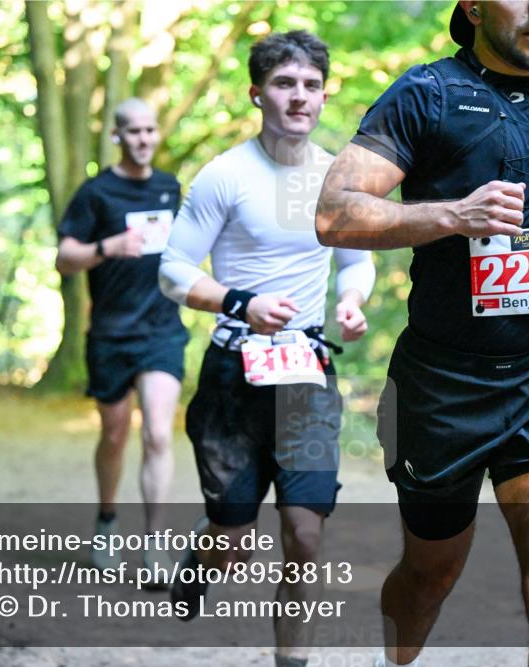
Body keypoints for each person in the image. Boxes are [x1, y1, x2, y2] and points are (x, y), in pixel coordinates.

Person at [315, 2, 529, 666]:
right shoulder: (426, 95)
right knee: (429, 576)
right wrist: (453, 214)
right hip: (442, 388)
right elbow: (335, 213)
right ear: (472, 5)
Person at [159, 30, 375, 667]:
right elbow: (172, 269)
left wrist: (352, 301)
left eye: (311, 85)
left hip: (306, 372)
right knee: (234, 538)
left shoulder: (338, 177)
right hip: (233, 372)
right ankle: (202, 560)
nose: (299, 97)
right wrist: (238, 302)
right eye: (284, 84)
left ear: (324, 95)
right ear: (257, 93)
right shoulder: (225, 175)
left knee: (306, 535)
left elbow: (355, 262)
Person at [55, 98, 189, 579]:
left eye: (150, 130)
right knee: (113, 434)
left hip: (161, 331)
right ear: (117, 136)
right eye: (134, 132)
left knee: (156, 431)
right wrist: (105, 247)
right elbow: (64, 257)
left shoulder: (170, 188)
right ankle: (108, 519)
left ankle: (157, 545)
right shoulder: (96, 193)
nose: (144, 140)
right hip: (111, 333)